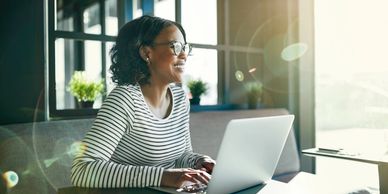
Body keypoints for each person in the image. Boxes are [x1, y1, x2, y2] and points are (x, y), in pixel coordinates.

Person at [71, 15, 216, 189]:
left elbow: (180, 156)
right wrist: (163, 177)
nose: (184, 54)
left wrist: (199, 162)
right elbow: (82, 169)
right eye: (175, 47)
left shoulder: (179, 99)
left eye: (184, 46)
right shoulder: (124, 100)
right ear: (147, 53)